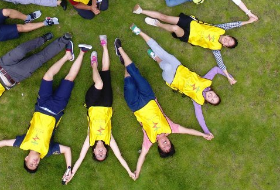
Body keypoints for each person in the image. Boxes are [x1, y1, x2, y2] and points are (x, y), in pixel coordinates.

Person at [0, 43, 92, 178]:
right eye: (36, 165)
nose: (35, 163)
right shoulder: (47, 151)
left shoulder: (23, 143)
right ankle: (82, 53)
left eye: (31, 164)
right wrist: (69, 168)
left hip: (41, 106)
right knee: (69, 78)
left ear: (26, 158)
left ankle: (67, 56)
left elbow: (5, 143)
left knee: (47, 76)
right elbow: (67, 150)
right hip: (56, 110)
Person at [114, 38, 212, 180]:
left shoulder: (149, 140)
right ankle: (120, 49)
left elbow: (142, 156)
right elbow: (188, 131)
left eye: (164, 148)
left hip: (135, 105)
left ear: (159, 147)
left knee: (129, 83)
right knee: (135, 74)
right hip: (149, 97)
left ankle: (125, 64)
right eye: (169, 145)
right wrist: (203, 134)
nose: (166, 145)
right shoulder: (170, 128)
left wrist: (137, 172)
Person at [129, 27, 236, 137]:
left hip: (171, 78)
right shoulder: (207, 82)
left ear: (208, 101)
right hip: (178, 66)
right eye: (214, 96)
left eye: (212, 100)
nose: (211, 96)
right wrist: (229, 77)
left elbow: (200, 117)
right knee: (160, 50)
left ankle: (156, 57)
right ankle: (140, 32)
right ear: (214, 92)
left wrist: (206, 131)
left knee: (166, 66)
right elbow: (216, 69)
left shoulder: (198, 100)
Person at [63, 36, 135, 184]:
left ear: (94, 151)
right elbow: (119, 156)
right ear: (106, 151)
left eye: (98, 155)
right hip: (107, 104)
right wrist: (130, 172)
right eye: (103, 155)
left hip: (92, 104)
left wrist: (71, 175)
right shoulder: (109, 139)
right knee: (106, 72)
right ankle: (104, 45)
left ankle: (94, 65)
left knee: (100, 84)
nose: (101, 153)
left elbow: (80, 158)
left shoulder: (90, 140)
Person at [132, 5, 258, 81]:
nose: (227, 41)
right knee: (165, 17)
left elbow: (221, 63)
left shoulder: (216, 48)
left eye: (228, 43)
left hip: (188, 36)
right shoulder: (220, 29)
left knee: (174, 28)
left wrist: (229, 77)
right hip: (190, 23)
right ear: (228, 36)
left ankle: (157, 24)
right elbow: (234, 24)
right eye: (229, 39)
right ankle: (141, 11)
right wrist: (248, 21)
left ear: (225, 46)